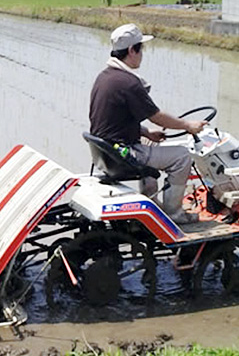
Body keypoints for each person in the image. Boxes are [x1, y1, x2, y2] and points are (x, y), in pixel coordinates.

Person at [89, 23, 207, 224]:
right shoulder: (128, 82)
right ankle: (175, 214)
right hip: (124, 154)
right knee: (182, 157)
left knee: (153, 143)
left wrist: (145, 133)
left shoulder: (105, 77)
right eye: (141, 49)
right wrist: (188, 126)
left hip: (108, 151)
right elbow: (156, 116)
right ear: (131, 50)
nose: (142, 54)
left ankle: (150, 201)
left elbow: (112, 121)